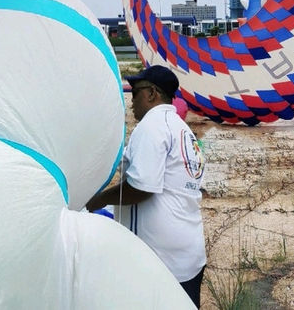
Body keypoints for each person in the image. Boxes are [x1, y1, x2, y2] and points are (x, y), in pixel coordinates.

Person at [86, 65, 206, 306]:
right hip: (188, 253)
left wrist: (99, 200)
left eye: (135, 92)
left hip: (161, 261)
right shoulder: (183, 130)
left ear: (152, 93)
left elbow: (141, 188)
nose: (131, 100)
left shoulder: (152, 125)